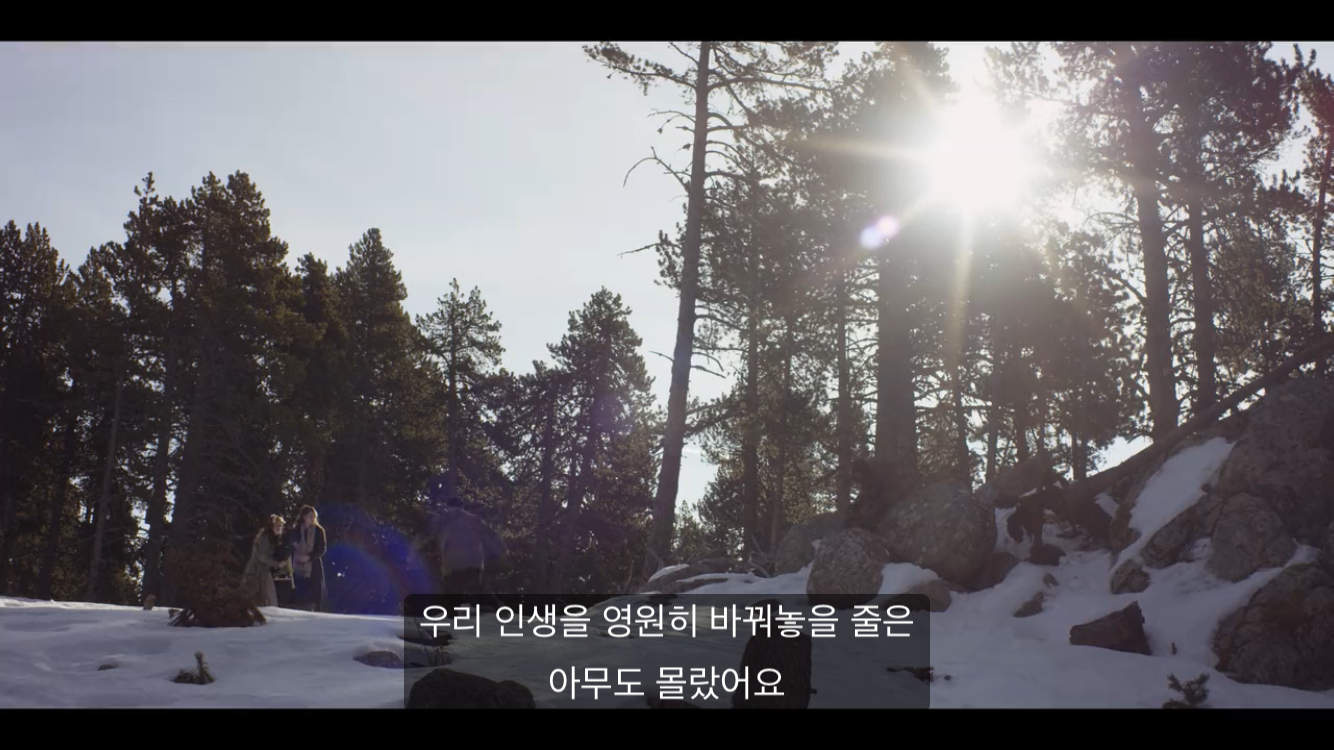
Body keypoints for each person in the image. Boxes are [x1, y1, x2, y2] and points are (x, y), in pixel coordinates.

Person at [240, 514, 288, 608]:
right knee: (256, 599)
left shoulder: (273, 539)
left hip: (264, 572)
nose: (280, 528)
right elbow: (262, 557)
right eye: (277, 525)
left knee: (268, 599)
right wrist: (277, 564)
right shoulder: (264, 538)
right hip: (255, 572)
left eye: (281, 526)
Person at [288, 505, 327, 612]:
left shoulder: (319, 531)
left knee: (315, 594)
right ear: (304, 517)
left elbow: (322, 548)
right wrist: (296, 552)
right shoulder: (296, 530)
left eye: (314, 516)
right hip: (298, 566)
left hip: (313, 565)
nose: (313, 519)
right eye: (310, 516)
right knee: (301, 594)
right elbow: (291, 545)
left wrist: (309, 557)